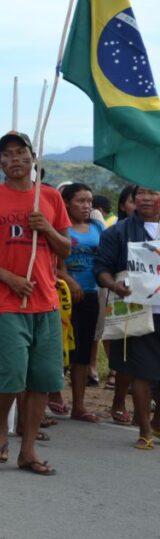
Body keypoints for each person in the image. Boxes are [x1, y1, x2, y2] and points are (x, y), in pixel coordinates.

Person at [0, 131, 70, 476]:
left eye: (20, 152)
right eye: (7, 154)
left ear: (33, 156)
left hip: (46, 302)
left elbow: (66, 248)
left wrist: (48, 230)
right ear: (0, 162)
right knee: (11, 374)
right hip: (7, 302)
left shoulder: (51, 198)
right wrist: (8, 278)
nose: (14, 159)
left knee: (42, 378)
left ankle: (28, 449)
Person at [94, 186, 160, 450]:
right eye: (139, 194)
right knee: (141, 371)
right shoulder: (117, 232)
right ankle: (144, 430)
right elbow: (101, 268)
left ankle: (157, 424)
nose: (144, 198)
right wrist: (113, 285)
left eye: (152, 192)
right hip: (137, 311)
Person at [55, 182, 104, 424]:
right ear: (66, 203)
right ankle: (51, 398)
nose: (86, 206)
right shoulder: (59, 228)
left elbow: (104, 259)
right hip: (62, 296)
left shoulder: (96, 227)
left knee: (82, 352)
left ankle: (79, 405)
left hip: (90, 295)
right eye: (80, 201)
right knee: (57, 349)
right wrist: (68, 279)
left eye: (89, 202)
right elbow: (54, 261)